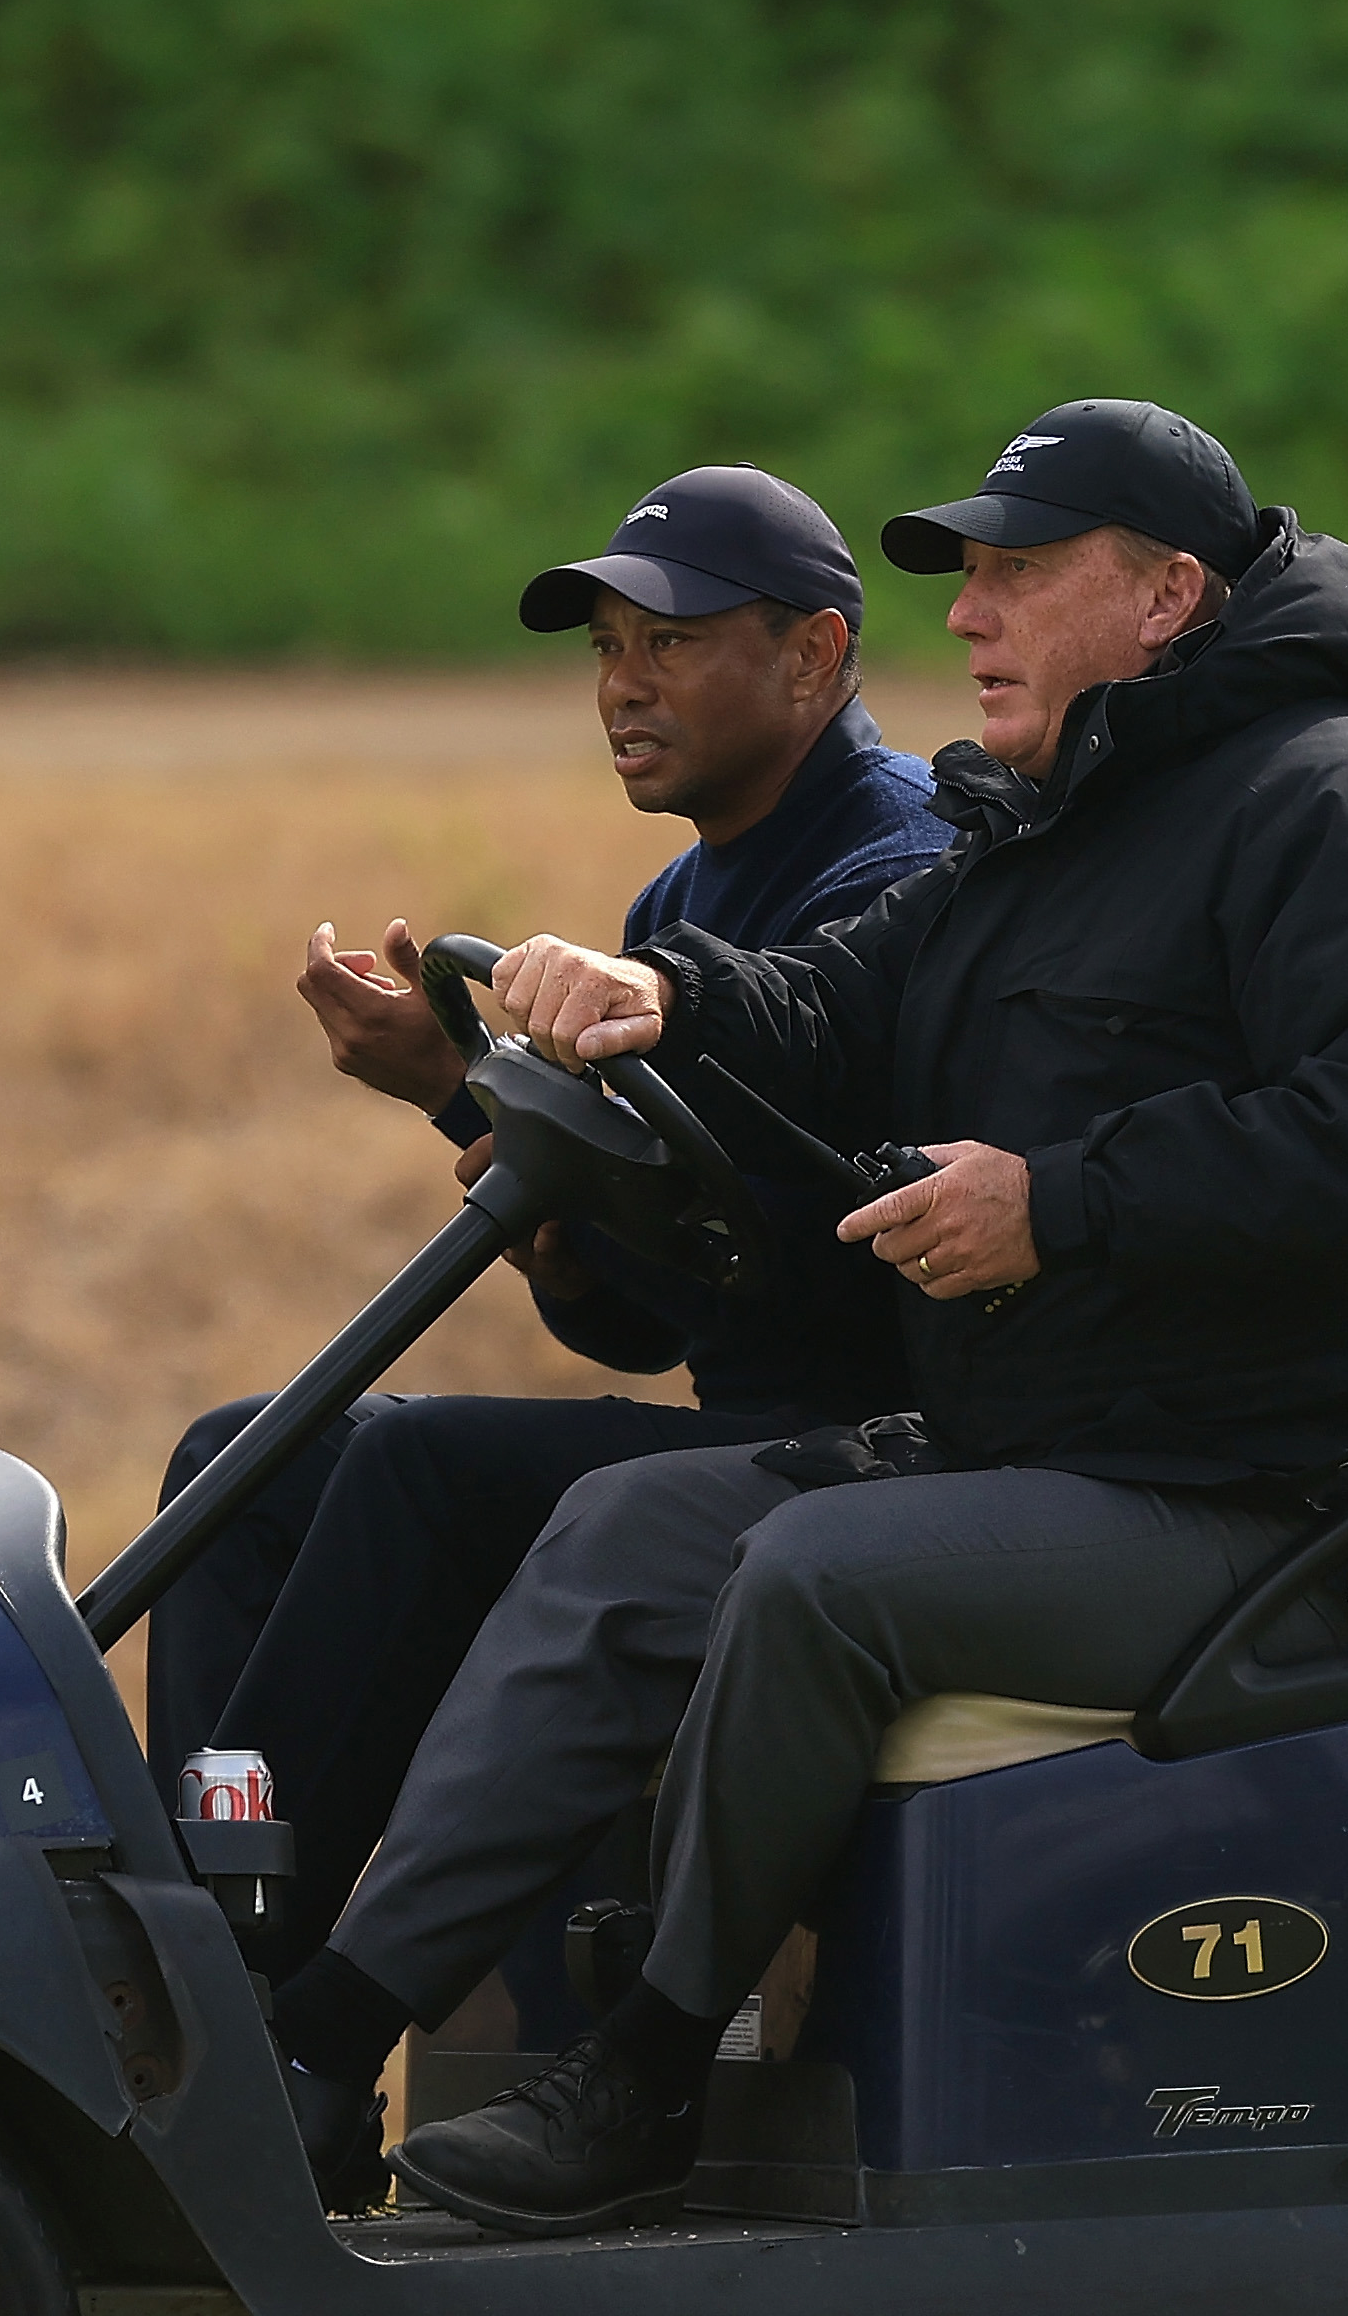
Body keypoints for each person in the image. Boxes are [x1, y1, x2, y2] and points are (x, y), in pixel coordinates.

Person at [260, 399, 1348, 2233]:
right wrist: (654, 989)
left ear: (1167, 594)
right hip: (1090, 1452)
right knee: (632, 1527)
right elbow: (830, 998)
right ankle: (308, 2046)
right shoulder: (1055, 822)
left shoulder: (1341, 799)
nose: (968, 617)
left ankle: (642, 2072)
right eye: (969, 579)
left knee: (822, 1573)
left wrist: (1059, 1203)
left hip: (1303, 1497)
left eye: (1019, 574)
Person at [145, 468, 946, 2198]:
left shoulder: (899, 874)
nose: (620, 689)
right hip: (741, 1424)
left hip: (877, 1448)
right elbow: (642, 1325)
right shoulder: (679, 906)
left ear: (815, 656)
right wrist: (470, 1111)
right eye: (602, 649)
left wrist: (506, 1137)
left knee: (420, 1471)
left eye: (669, 644)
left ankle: (271, 2034)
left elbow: (836, 1262)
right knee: (239, 1459)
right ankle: (211, 1936)